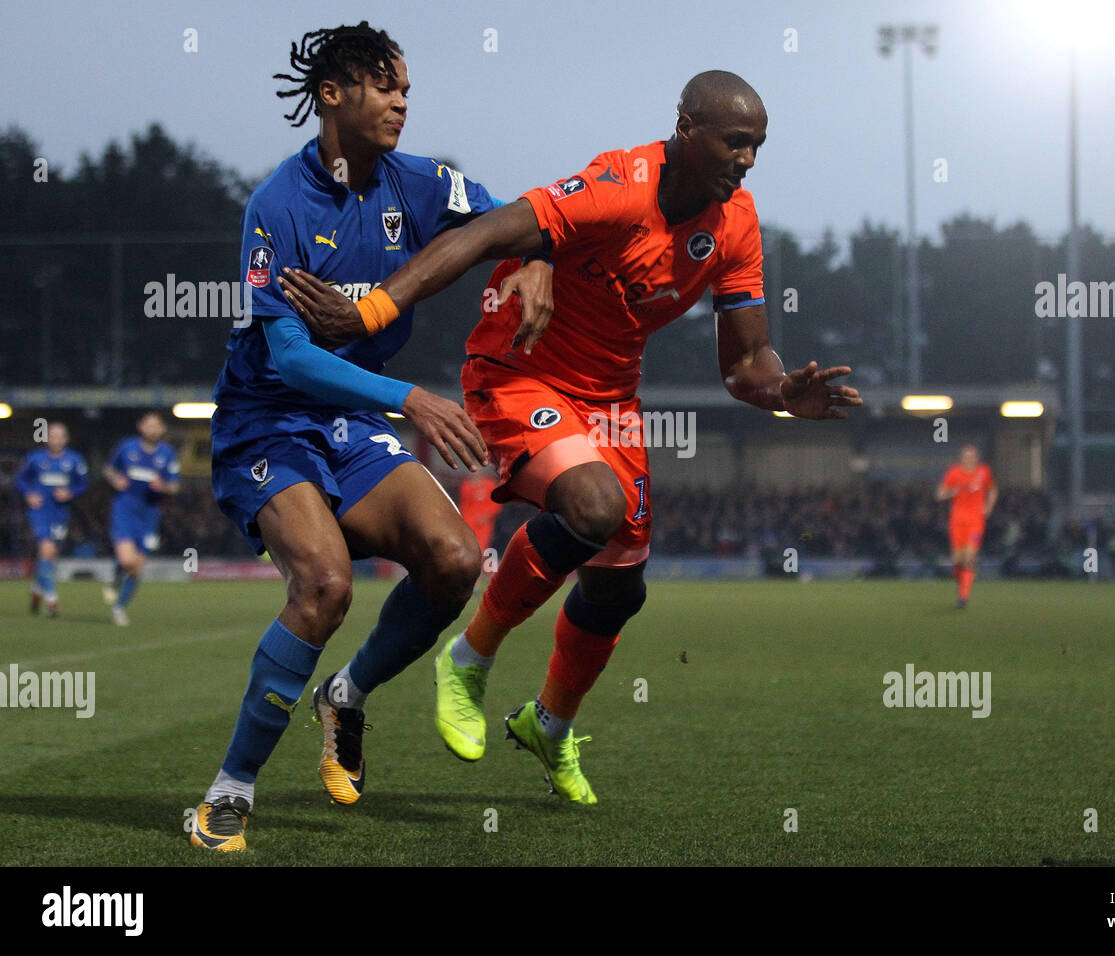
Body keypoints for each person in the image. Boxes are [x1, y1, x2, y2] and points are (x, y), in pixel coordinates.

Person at [281, 70, 862, 804]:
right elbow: (487, 230)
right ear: (687, 129)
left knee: (619, 594)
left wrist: (783, 394)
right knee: (592, 507)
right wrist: (369, 312)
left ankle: (549, 726)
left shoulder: (735, 224)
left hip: (611, 398)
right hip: (519, 372)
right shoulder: (618, 184)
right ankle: (469, 657)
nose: (747, 160)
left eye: (758, 147)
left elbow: (746, 364)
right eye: (735, 142)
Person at [189, 22, 551, 851]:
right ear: (333, 94)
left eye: (406, 90)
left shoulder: (418, 184)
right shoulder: (276, 206)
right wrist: (411, 400)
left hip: (351, 423)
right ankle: (227, 795)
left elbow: (517, 218)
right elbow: (288, 355)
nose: (401, 102)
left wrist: (538, 261)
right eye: (387, 87)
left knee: (458, 561)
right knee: (324, 584)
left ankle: (345, 695)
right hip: (268, 421)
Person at [102, 411, 180, 626]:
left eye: (157, 425)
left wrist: (163, 486)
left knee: (137, 567)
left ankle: (119, 609)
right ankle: (117, 576)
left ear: (162, 429)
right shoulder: (127, 447)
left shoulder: (167, 453)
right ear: (141, 426)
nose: (153, 429)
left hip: (150, 516)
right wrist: (116, 479)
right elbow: (108, 469)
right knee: (127, 560)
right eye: (149, 424)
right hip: (124, 510)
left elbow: (175, 485)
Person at [16, 422, 88, 617]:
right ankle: (52, 601)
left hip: (60, 513)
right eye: (52, 435)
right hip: (40, 512)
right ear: (46, 438)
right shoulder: (35, 459)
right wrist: (29, 494)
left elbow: (82, 483)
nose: (56, 439)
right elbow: (21, 479)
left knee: (48, 556)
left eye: (59, 436)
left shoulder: (74, 460)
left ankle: (36, 592)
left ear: (65, 439)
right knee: (46, 550)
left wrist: (70, 493)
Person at [935, 444, 996, 608]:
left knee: (969, 557)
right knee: (958, 560)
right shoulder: (954, 473)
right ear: (961, 458)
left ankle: (963, 597)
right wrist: (952, 491)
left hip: (975, 522)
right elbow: (939, 494)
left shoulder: (984, 472)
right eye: (966, 456)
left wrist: (988, 507)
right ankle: (960, 578)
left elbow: (992, 490)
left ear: (976, 458)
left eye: (972, 456)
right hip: (957, 522)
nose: (969, 459)